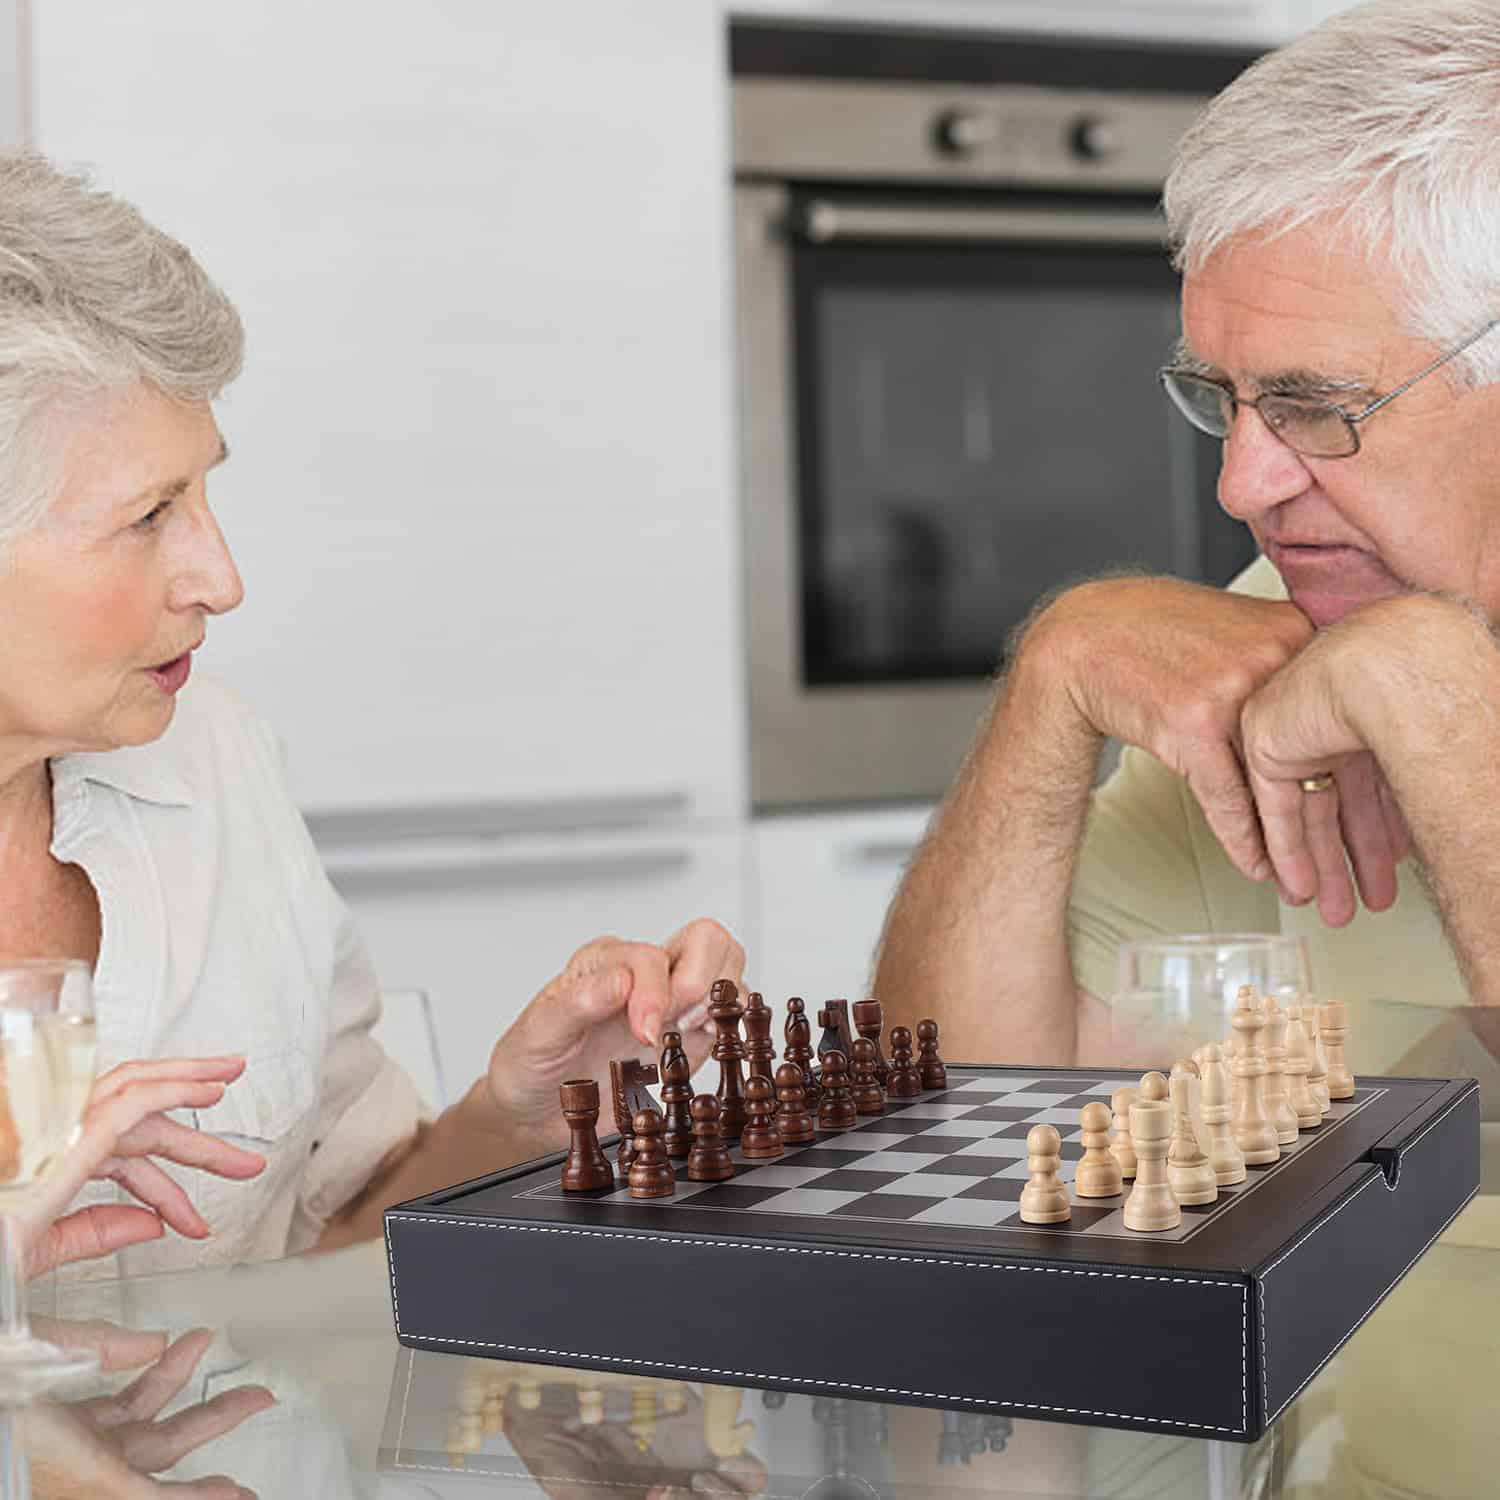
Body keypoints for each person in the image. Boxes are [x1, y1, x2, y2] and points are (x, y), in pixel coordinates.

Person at [0, 152, 744, 1274]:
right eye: (152, 513)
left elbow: (334, 1236)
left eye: (204, 490)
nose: (221, 575)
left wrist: (520, 1118)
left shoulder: (217, 765)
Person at [873, 0, 1500, 1077]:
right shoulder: (1294, 615)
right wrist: (1056, 675)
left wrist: (1432, 701)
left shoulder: (1385, 638)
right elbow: (961, 1132)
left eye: (1322, 408)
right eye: (1226, 400)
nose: (1241, 486)